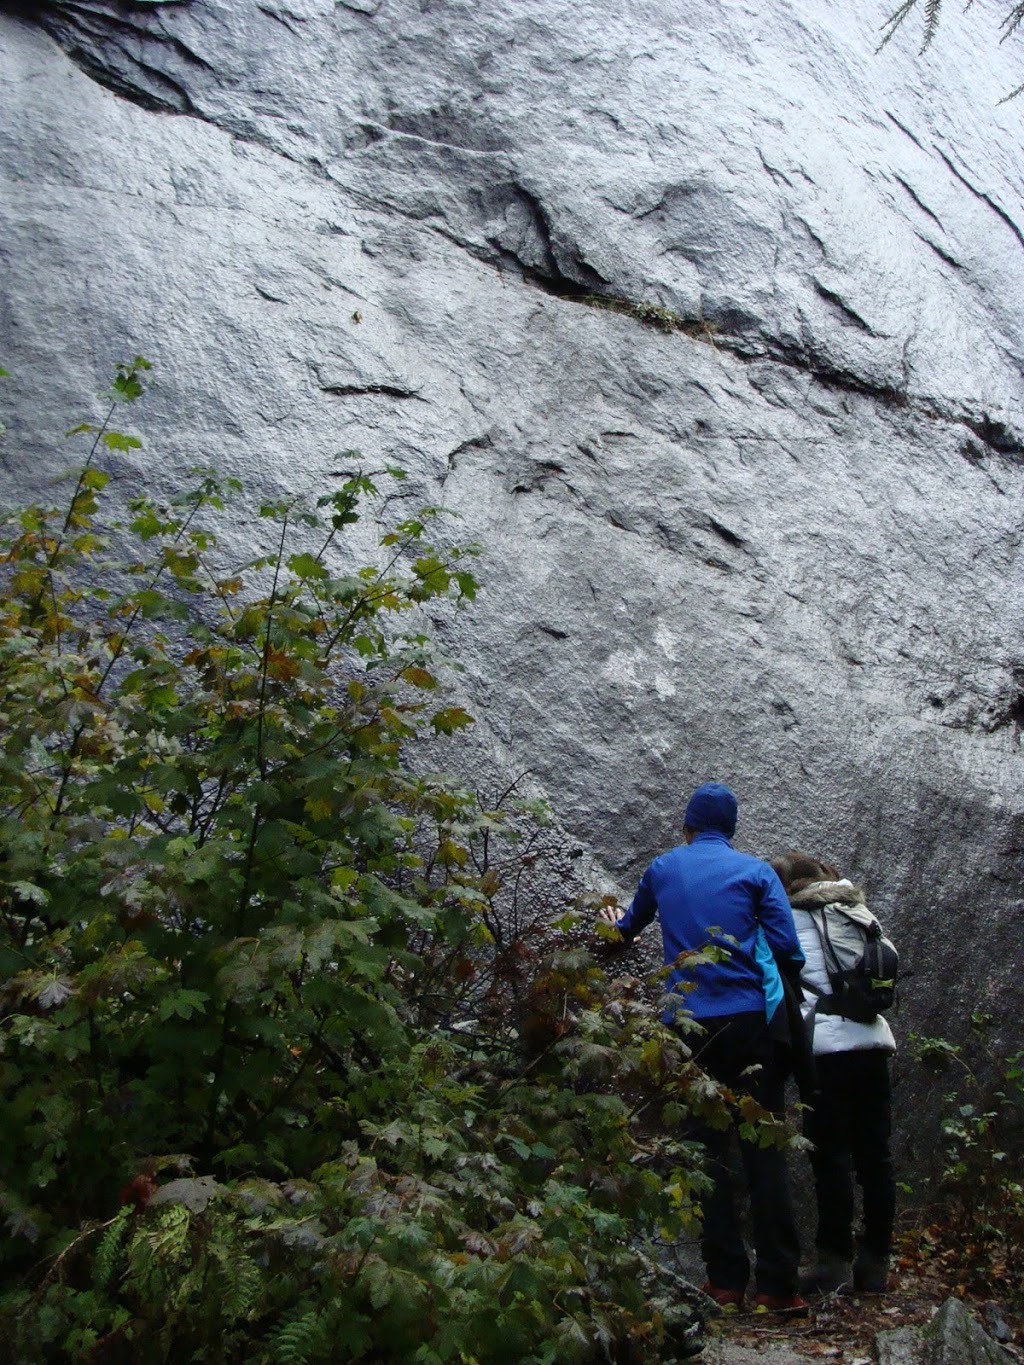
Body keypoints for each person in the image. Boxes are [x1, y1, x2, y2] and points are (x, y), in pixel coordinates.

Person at [599, 782, 808, 1314]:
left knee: (705, 1154)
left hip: (689, 1025)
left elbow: (625, 931)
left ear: (687, 824)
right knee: (763, 1152)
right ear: (732, 829)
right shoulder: (757, 873)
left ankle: (725, 1282)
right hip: (750, 1025)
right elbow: (789, 949)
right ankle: (778, 1287)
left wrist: (608, 927)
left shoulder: (663, 869)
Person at [770, 852, 897, 1296]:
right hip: (872, 1043)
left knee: (831, 1158)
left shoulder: (786, 918)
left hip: (823, 1052)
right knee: (875, 1157)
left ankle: (833, 1261)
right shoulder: (857, 912)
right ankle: (876, 1261)